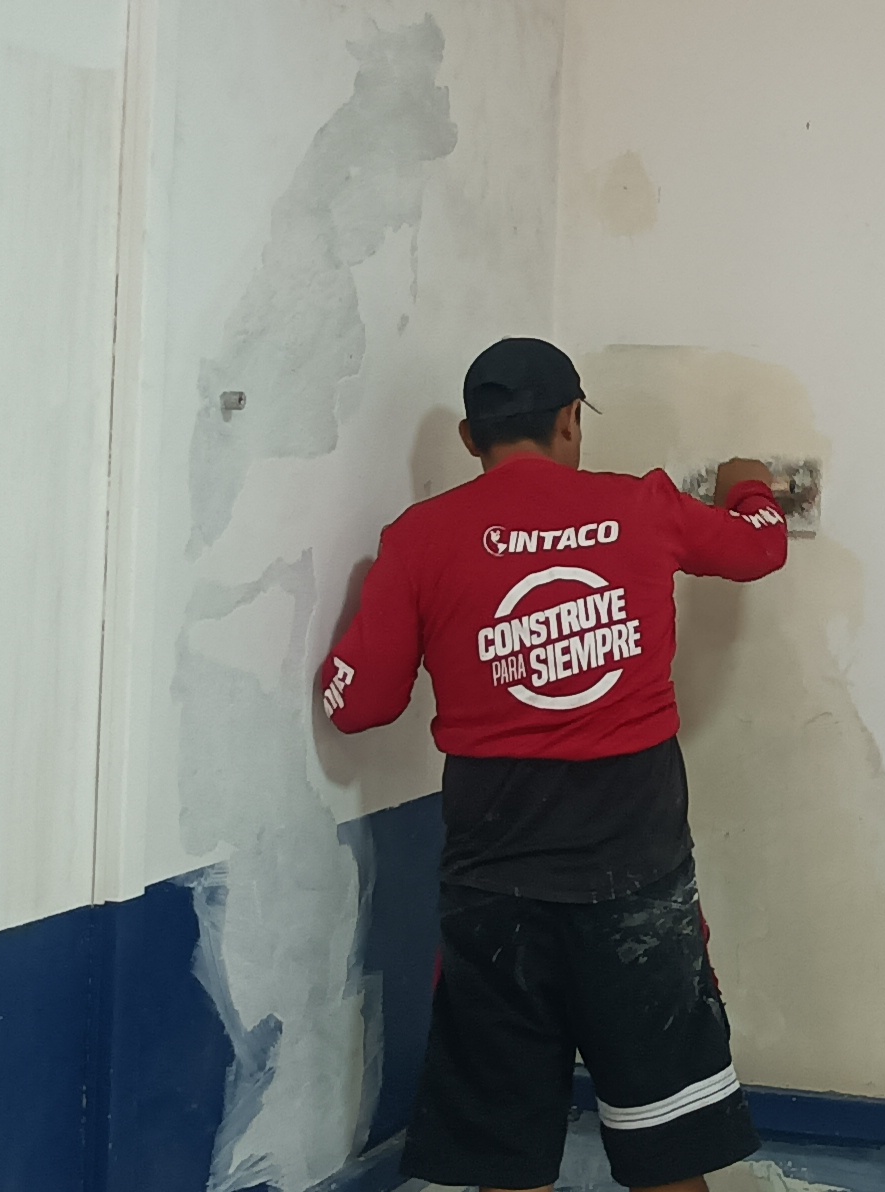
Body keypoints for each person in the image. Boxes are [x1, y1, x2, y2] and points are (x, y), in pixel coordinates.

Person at [319, 337, 791, 1192]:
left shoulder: (420, 538)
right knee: (669, 1150)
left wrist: (351, 646)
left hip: (494, 899)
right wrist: (749, 487)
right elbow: (759, 548)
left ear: (471, 438)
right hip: (638, 887)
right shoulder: (642, 505)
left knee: (505, 1158)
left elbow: (357, 706)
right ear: (572, 420)